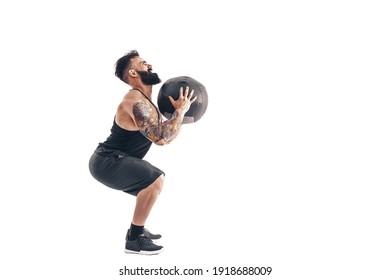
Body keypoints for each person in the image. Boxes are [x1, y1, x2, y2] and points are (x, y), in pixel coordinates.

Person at [88, 50, 197, 255]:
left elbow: (165, 135)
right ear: (133, 72)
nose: (150, 65)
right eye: (144, 63)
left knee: (149, 187)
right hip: (106, 161)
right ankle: (135, 240)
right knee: (154, 179)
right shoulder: (134, 101)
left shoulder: (146, 101)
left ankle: (136, 231)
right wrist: (180, 112)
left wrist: (178, 114)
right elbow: (161, 138)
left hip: (115, 160)